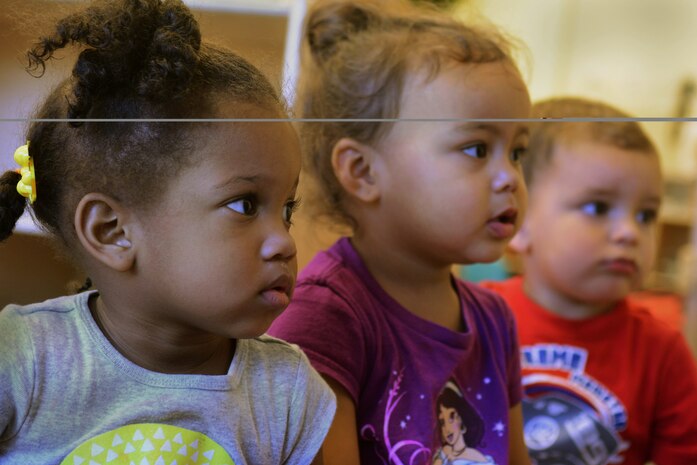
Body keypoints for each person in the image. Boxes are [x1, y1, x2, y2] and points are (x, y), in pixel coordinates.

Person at [0, 0, 335, 463]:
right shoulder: (21, 361)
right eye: (244, 205)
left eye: (287, 209)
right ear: (112, 232)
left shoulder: (290, 395)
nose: (284, 242)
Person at [268, 1, 532, 464]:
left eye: (517, 152)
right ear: (363, 171)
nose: (508, 176)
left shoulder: (495, 319)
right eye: (476, 148)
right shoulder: (328, 318)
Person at [483, 97, 697, 465]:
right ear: (519, 221)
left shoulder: (663, 354)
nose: (629, 232)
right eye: (597, 208)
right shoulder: (471, 319)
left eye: (646, 214)